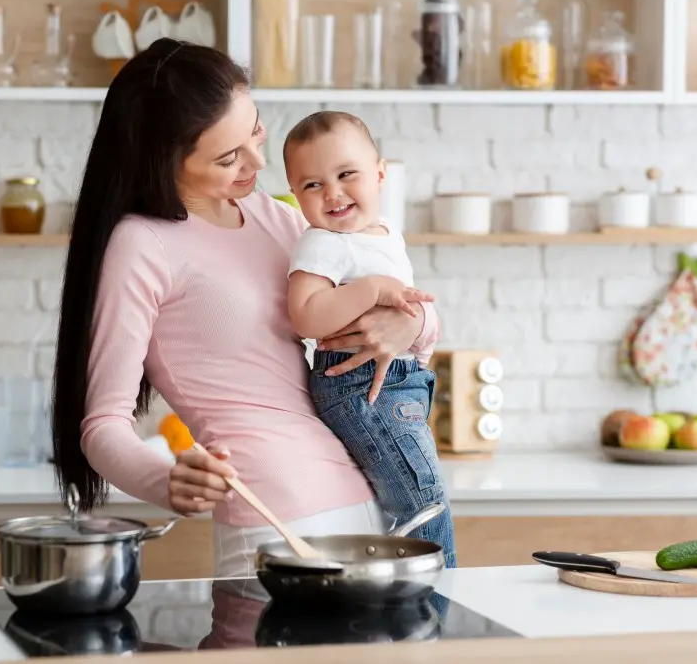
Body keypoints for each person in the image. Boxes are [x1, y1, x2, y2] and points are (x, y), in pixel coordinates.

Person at [49, 38, 443, 579]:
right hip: (275, 517)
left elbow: (383, 305)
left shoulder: (273, 218)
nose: (257, 163)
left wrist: (415, 322)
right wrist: (163, 479)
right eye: (228, 157)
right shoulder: (143, 244)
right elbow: (102, 425)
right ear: (164, 160)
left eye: (255, 130)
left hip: (371, 495)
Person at [282, 111, 457, 568]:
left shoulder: (383, 234)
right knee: (422, 501)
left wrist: (415, 326)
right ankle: (436, 604)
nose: (333, 193)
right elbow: (304, 315)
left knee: (415, 498)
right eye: (312, 185)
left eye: (345, 175)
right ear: (295, 193)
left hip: (399, 382)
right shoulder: (322, 242)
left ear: (379, 174)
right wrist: (372, 289)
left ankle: (417, 605)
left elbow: (410, 315)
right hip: (360, 386)